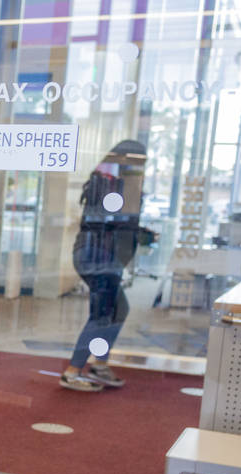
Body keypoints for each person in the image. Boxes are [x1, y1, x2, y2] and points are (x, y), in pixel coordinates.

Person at [60, 140, 156, 392]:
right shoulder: (111, 184)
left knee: (118, 308)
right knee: (102, 314)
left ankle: (99, 363)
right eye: (138, 162)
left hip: (101, 255)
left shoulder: (114, 183)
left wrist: (140, 232)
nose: (141, 168)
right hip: (99, 257)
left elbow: (117, 222)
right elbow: (106, 223)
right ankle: (72, 372)